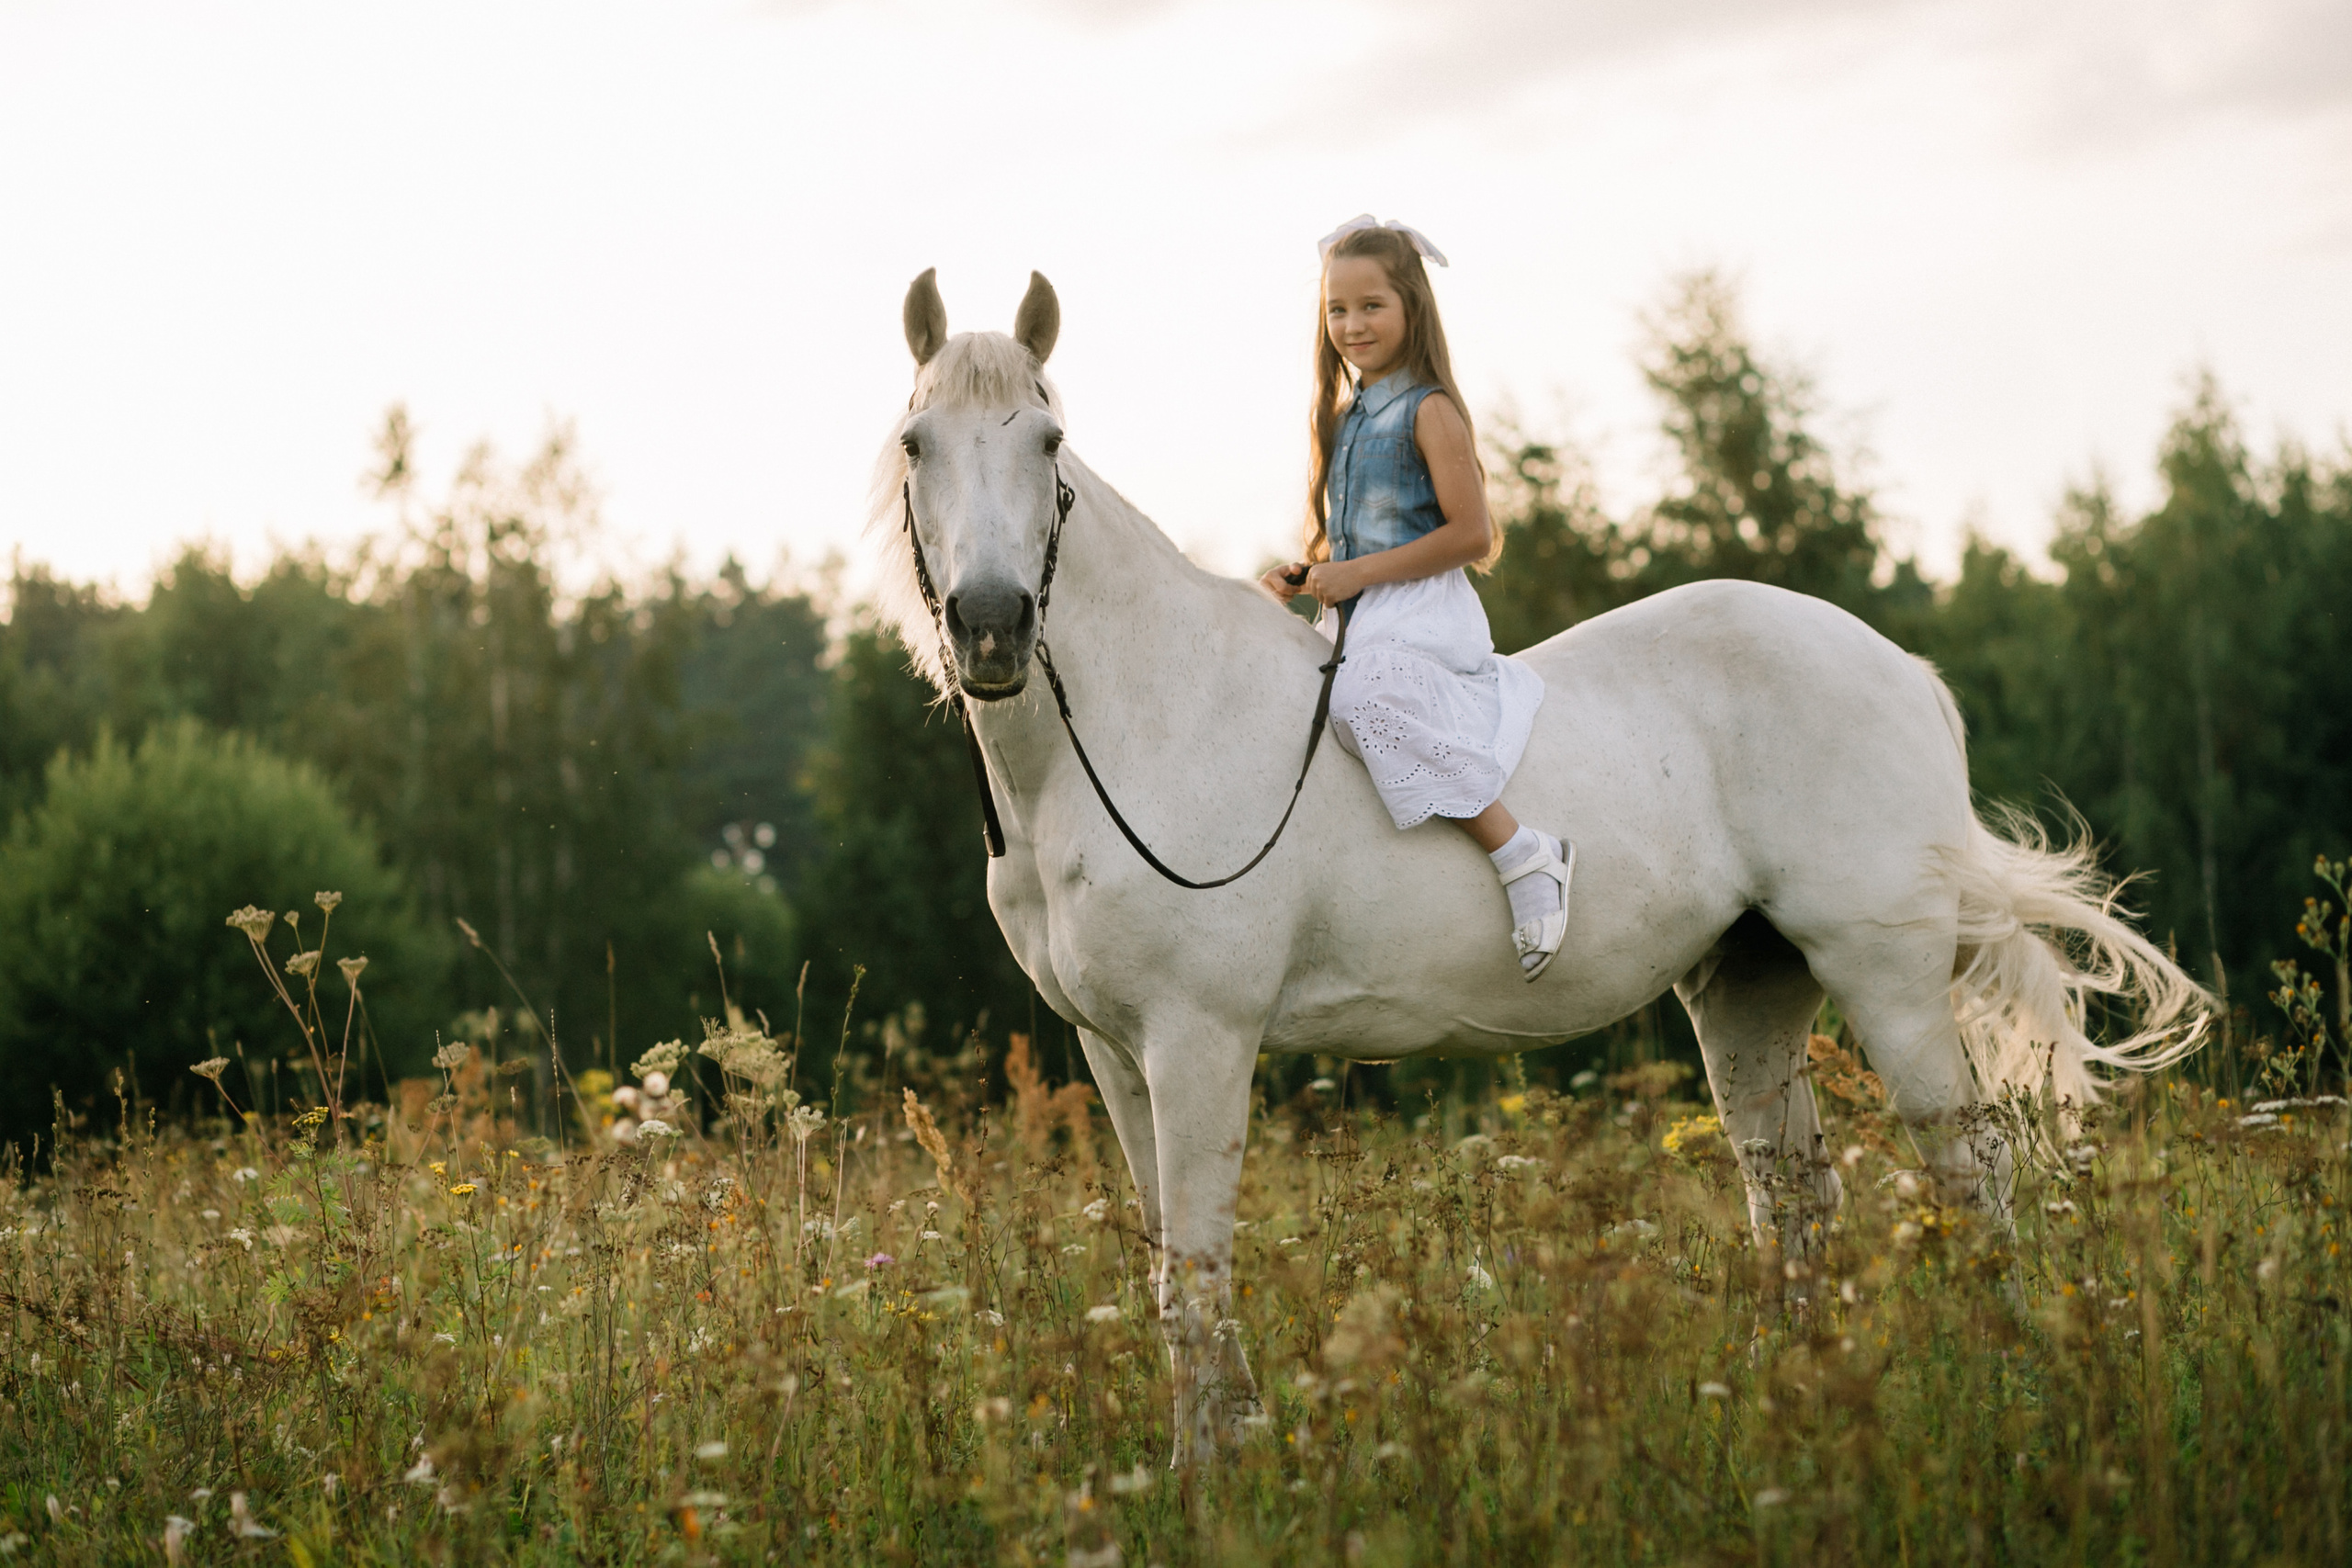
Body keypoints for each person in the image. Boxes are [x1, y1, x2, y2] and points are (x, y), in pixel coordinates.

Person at [1259, 215, 1571, 977]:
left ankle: (1521, 851)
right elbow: (1361, 540)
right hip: (1363, 615)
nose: (1351, 324)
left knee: (1359, 701)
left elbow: (1473, 533)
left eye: (1372, 306)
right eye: (1337, 309)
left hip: (1425, 613)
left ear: (1411, 310)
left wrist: (1358, 574)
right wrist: (1310, 572)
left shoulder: (1429, 409)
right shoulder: (1345, 418)